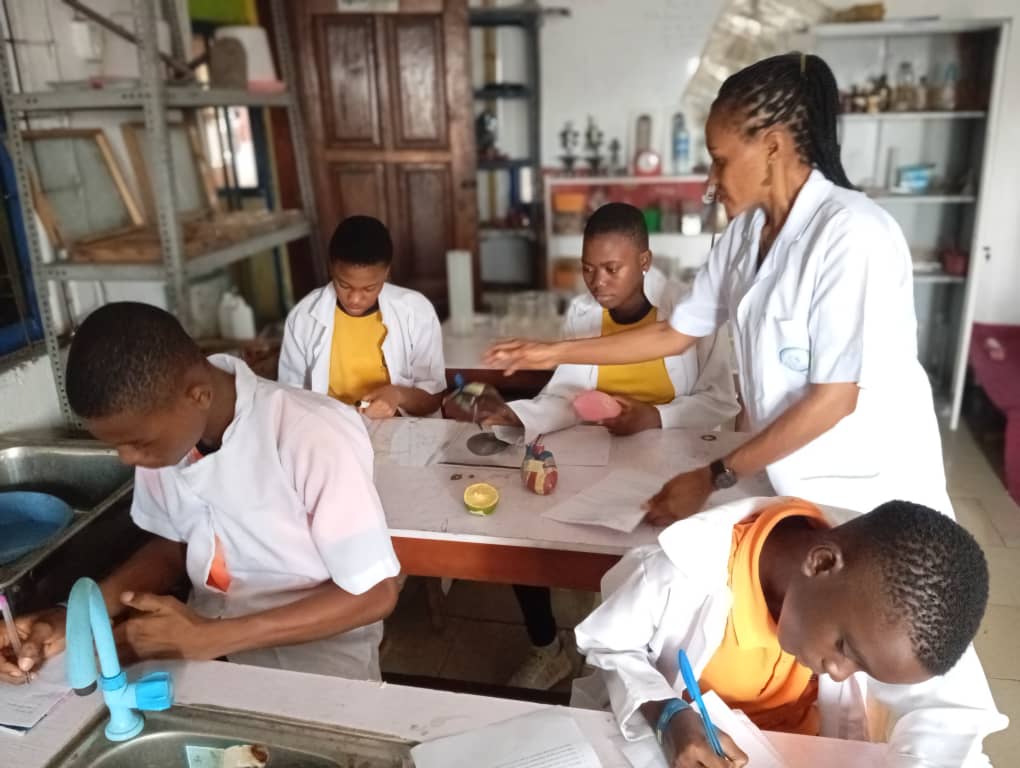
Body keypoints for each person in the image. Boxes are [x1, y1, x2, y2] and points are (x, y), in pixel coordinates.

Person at [485, 53, 952, 523]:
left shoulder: (852, 233)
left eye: (720, 160)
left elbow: (834, 400)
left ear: (772, 147)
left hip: (869, 493)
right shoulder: (744, 235)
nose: (711, 182)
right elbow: (674, 333)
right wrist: (551, 353)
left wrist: (715, 475)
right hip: (788, 477)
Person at [0, 302, 401, 685]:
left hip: (317, 659)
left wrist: (217, 637)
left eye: (138, 443)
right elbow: (175, 547)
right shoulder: (166, 439)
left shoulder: (312, 433)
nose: (127, 458)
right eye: (117, 445)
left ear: (198, 395)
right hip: (207, 645)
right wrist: (76, 618)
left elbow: (374, 592)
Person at [486, 202, 739, 690]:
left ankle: (630, 670)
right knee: (522, 529)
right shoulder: (584, 314)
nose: (597, 282)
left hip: (671, 460)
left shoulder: (688, 312)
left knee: (653, 564)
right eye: (588, 269)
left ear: (644, 261)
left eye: (611, 269)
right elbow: (568, 396)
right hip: (596, 456)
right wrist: (519, 416)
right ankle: (548, 647)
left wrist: (654, 417)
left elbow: (720, 400)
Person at [573, 496, 1007, 768]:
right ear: (821, 563)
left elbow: (954, 715)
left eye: (859, 669)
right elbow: (609, 644)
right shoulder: (681, 569)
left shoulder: (903, 600)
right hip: (688, 747)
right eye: (844, 648)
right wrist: (668, 714)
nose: (838, 673)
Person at [279, 215, 446, 418]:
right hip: (330, 428)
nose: (355, 299)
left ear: (386, 272)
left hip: (400, 428)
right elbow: (291, 398)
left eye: (369, 288)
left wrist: (398, 395)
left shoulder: (415, 311)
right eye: (344, 285)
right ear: (331, 268)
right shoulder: (304, 317)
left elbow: (433, 399)